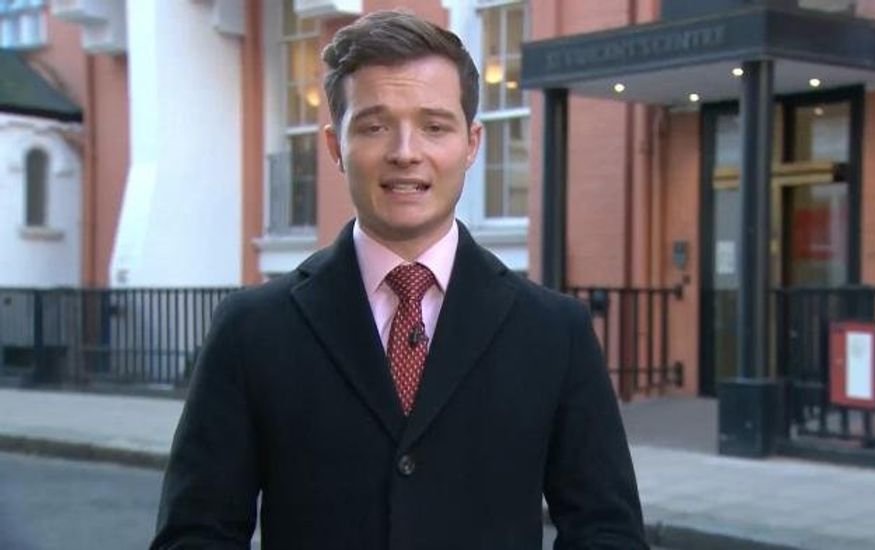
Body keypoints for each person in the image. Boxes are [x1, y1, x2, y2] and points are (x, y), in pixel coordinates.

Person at [152, 9, 644, 549]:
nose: (405, 153)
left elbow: (607, 532)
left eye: (434, 126)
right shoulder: (252, 329)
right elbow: (195, 534)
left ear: (471, 143)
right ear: (335, 146)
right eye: (375, 126)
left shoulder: (555, 331)